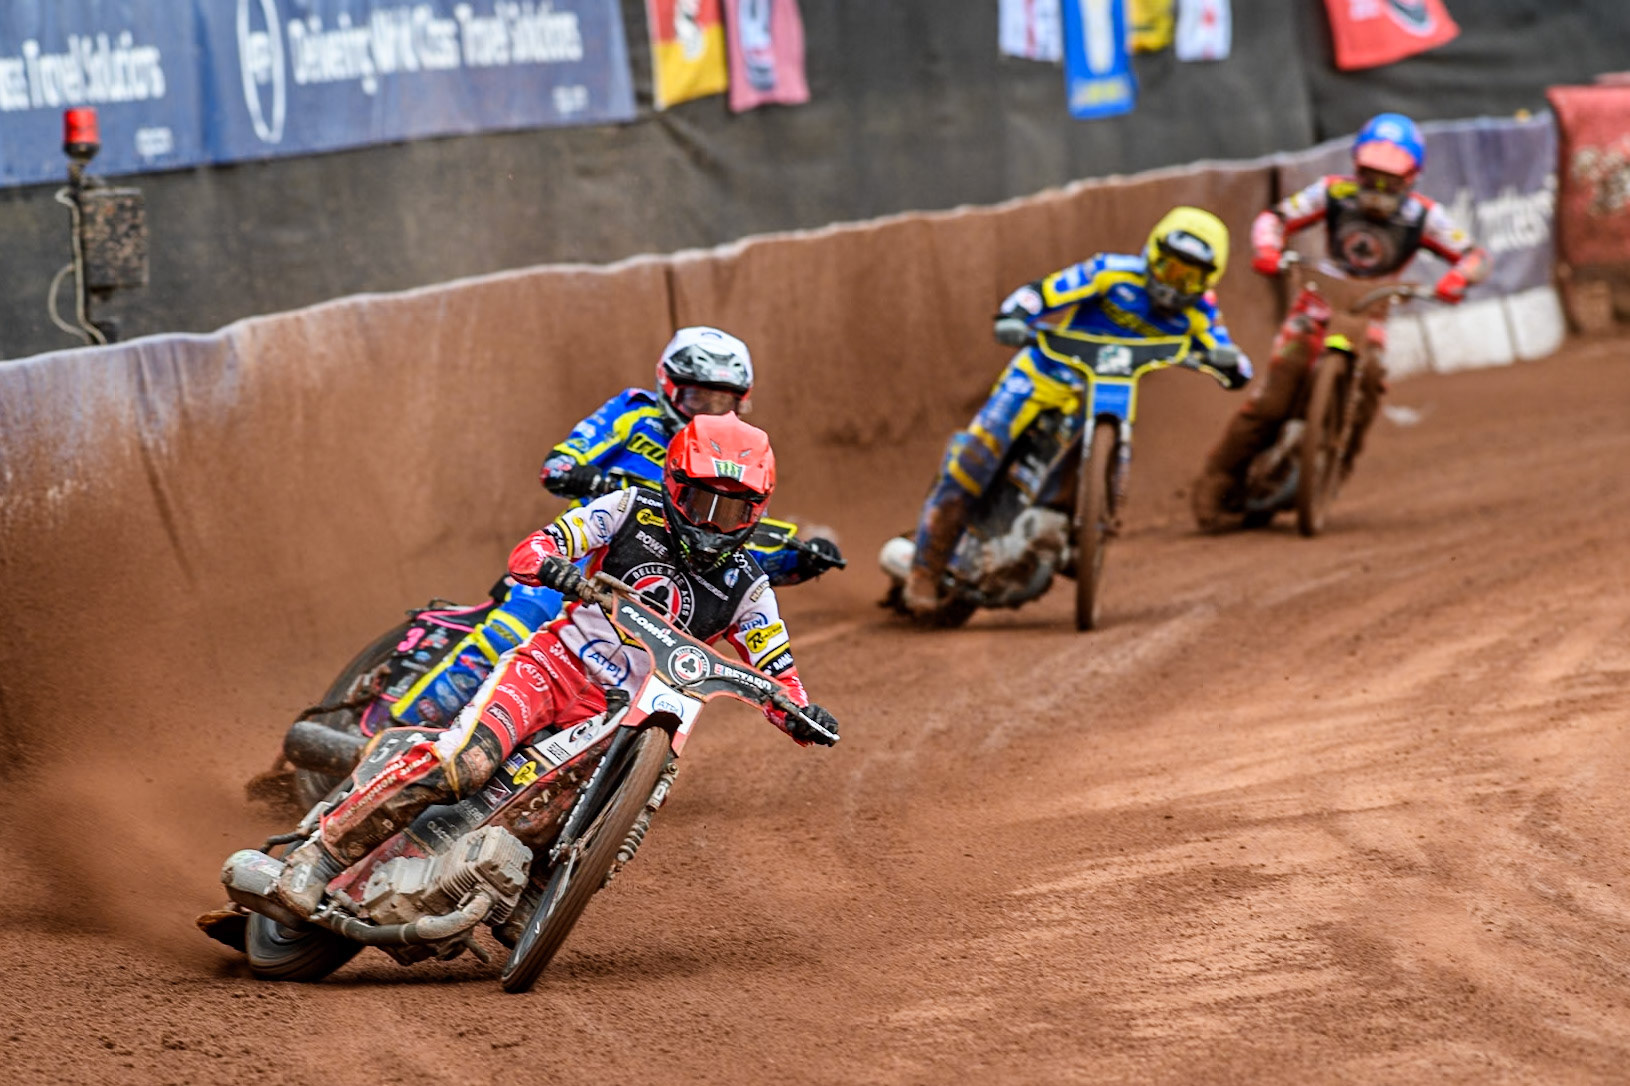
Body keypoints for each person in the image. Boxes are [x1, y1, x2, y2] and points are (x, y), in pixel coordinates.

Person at [276, 412, 841, 917]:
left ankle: (525, 896)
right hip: (554, 667)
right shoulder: (627, 510)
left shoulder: (750, 586)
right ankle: (320, 857)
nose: (712, 524)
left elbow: (779, 672)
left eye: (733, 510)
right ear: (673, 487)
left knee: (566, 823)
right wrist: (557, 568)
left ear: (757, 511)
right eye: (701, 504)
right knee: (465, 764)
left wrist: (799, 714)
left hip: (623, 717)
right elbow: (533, 549)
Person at [386, 326, 843, 730]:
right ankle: (394, 726)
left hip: (646, 586)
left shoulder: (729, 459)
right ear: (669, 386)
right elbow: (559, 464)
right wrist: (595, 478)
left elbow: (735, 537)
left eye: (720, 401)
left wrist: (801, 557)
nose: (704, 409)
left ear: (740, 404)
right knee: (515, 627)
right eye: (697, 397)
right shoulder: (633, 413)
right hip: (579, 558)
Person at [901, 206, 1251, 617]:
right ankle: (925, 568)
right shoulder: (1112, 272)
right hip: (1041, 373)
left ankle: (1071, 531)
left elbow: (1232, 355)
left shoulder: (1201, 312)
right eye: (1170, 267)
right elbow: (1045, 291)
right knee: (978, 454)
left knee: (1045, 473)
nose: (1175, 284)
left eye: (1188, 276)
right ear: (1151, 254)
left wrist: (1229, 365)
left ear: (1208, 280)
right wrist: (1017, 313)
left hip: (1103, 395)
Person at [1191, 113, 1489, 529]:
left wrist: (1457, 277)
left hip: (1372, 311)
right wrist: (1268, 248)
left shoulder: (1425, 217)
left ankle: (1338, 463)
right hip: (1317, 303)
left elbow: (1475, 255)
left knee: (1369, 385)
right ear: (1356, 167)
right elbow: (1274, 217)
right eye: (1370, 175)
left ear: (1412, 177)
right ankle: (1218, 477)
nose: (1377, 189)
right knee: (1274, 396)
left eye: (1390, 179)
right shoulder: (1332, 193)